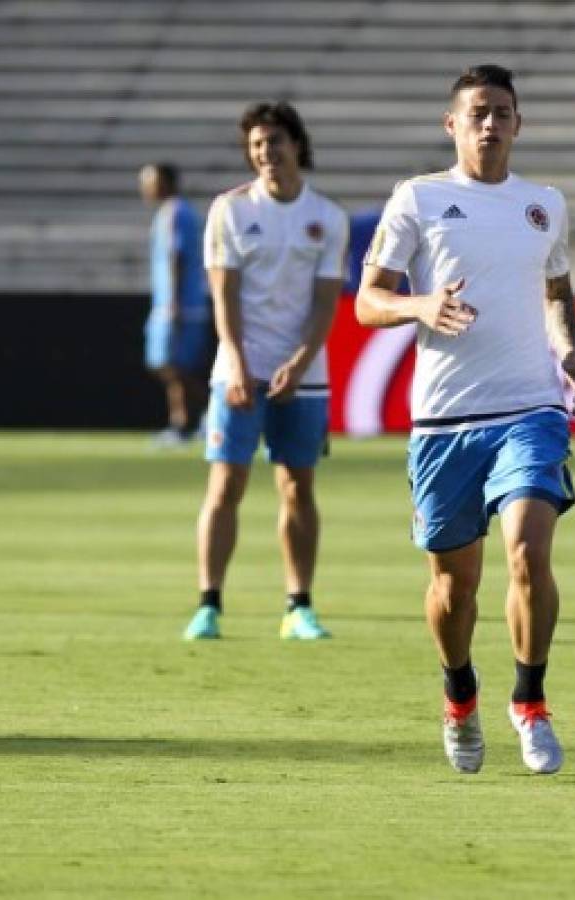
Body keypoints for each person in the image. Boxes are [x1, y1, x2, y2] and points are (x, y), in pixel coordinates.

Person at [355, 65, 575, 775]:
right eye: (478, 112)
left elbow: (557, 288)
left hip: (529, 407)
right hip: (444, 421)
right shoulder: (419, 198)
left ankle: (531, 702)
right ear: (452, 124)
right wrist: (419, 306)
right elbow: (368, 301)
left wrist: (569, 352)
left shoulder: (543, 204)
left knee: (527, 550)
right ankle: (459, 693)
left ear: (519, 124)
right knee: (453, 589)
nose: (490, 124)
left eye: (503, 112)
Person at [182, 101, 348, 642]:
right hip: (238, 369)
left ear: (297, 145)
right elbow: (222, 294)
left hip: (305, 373)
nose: (265, 153)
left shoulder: (327, 217)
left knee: (297, 486)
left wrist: (299, 363)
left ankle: (298, 605)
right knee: (226, 482)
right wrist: (236, 362)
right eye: (256, 145)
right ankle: (209, 603)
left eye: (274, 142)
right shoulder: (229, 210)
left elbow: (325, 304)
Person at [138, 162, 210, 445]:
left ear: (166, 182)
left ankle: (199, 418)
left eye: (149, 181)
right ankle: (184, 423)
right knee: (169, 367)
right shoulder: (170, 213)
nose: (145, 188)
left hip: (179, 305)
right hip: (171, 303)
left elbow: (176, 257)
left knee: (175, 367)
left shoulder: (176, 213)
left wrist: (175, 302)